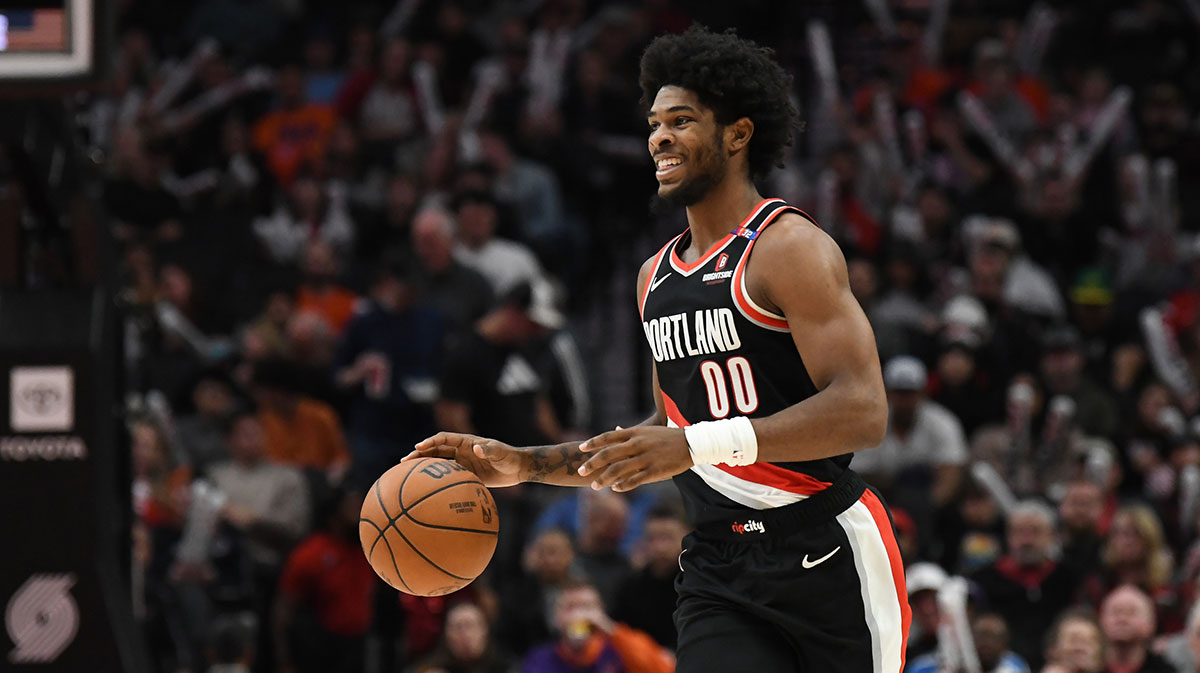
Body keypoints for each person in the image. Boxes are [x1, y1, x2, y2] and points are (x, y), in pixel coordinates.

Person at [410, 26, 908, 673]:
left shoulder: (789, 248)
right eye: (654, 123)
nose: (659, 138)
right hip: (718, 564)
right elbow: (663, 432)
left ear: (737, 133)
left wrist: (694, 445)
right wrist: (526, 464)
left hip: (823, 549)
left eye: (682, 121)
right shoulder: (655, 276)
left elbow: (864, 411)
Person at [970, 500, 1079, 669]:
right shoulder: (983, 580)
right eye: (1019, 532)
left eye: (1035, 532)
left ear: (1052, 536)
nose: (1026, 540)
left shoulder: (1067, 578)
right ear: (1008, 536)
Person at [522, 579, 674, 673]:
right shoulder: (540, 659)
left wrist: (612, 630)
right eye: (570, 607)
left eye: (587, 607)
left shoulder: (619, 650)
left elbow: (663, 669)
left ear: (602, 612)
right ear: (556, 617)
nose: (579, 615)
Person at [1098, 585, 1175, 673]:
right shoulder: (1088, 668)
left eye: (1131, 613)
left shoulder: (1165, 670)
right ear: (1101, 620)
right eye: (1116, 612)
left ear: (1151, 623)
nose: (1122, 619)